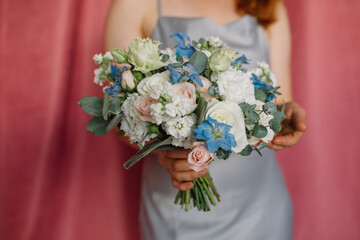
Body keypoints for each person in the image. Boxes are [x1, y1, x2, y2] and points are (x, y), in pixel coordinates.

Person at [104, 0, 307, 239]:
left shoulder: (269, 5)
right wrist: (163, 151)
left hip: (260, 206)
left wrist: (286, 118)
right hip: (176, 209)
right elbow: (121, 114)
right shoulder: (134, 4)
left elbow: (278, 101)